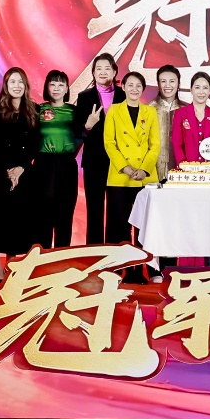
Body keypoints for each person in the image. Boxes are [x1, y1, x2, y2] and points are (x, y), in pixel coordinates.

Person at [0, 68, 41, 284]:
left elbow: (35, 142)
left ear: (26, 85)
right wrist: (7, 169)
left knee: (16, 218)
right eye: (12, 81)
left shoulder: (33, 109)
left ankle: (11, 262)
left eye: (20, 82)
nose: (16, 86)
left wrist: (21, 167)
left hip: (23, 171)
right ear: (6, 85)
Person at [103, 71, 160, 282]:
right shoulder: (114, 110)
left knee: (143, 226)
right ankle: (120, 269)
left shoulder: (150, 112)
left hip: (144, 177)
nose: (134, 89)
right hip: (120, 176)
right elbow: (109, 143)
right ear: (124, 87)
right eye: (130, 85)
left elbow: (155, 145)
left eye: (138, 86)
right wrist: (125, 168)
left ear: (143, 89)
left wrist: (144, 169)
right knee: (119, 225)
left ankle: (141, 269)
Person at [74, 53, 125, 244]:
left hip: (118, 162)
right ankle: (94, 253)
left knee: (116, 210)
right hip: (94, 161)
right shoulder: (84, 97)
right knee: (94, 209)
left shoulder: (123, 95)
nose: (103, 72)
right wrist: (88, 125)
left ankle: (115, 252)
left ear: (114, 71)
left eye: (107, 68)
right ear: (93, 73)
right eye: (99, 69)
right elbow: (78, 131)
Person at [35, 70, 82, 249]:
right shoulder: (37, 110)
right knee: (42, 215)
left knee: (65, 214)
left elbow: (80, 137)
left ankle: (62, 257)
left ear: (67, 89)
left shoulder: (74, 111)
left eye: (61, 84)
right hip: (42, 166)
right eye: (52, 84)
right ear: (47, 87)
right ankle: (42, 259)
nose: (56, 88)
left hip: (66, 166)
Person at [172, 71, 210, 164]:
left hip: (209, 168)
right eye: (197, 87)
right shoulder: (180, 113)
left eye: (205, 88)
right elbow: (177, 144)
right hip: (187, 167)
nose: (201, 92)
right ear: (191, 90)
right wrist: (183, 165)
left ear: (209, 91)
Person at [149, 64, 186, 181]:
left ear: (178, 84)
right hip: (152, 169)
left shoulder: (187, 110)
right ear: (158, 84)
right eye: (163, 81)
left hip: (182, 169)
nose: (168, 85)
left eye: (172, 81)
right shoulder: (148, 109)